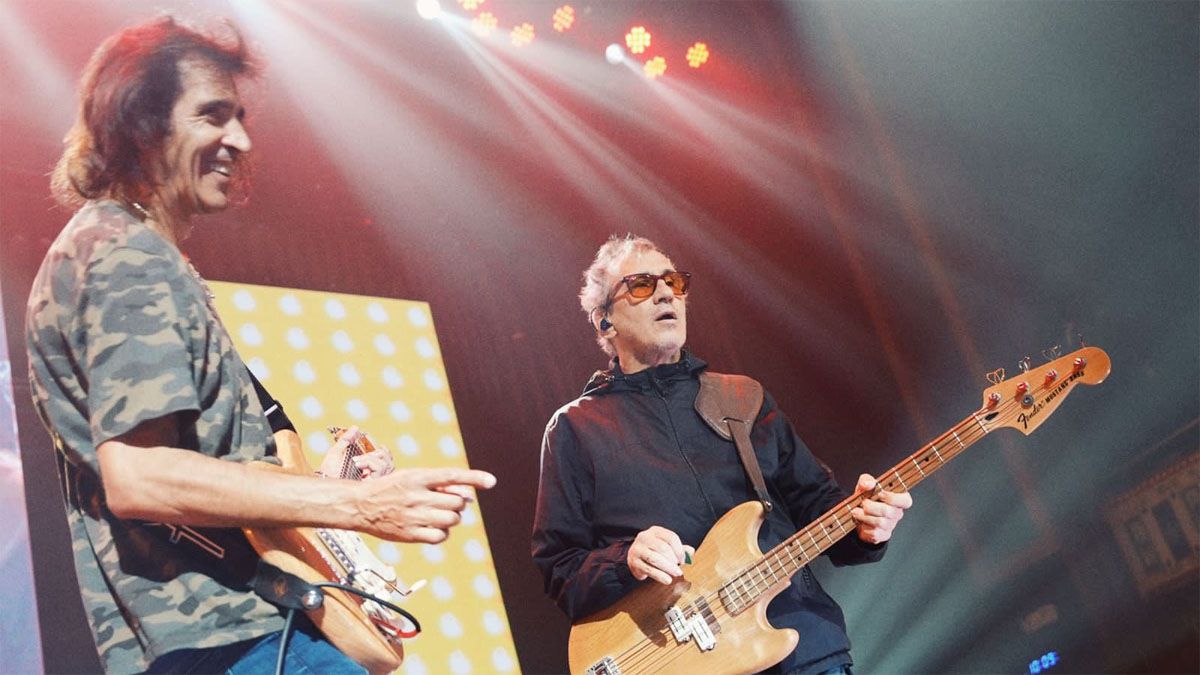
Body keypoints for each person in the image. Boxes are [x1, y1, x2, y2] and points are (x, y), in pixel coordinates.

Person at [25, 17, 495, 674]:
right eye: (213, 115)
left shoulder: (120, 250)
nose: (242, 140)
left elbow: (200, 469)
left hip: (232, 634)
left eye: (240, 118)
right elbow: (141, 474)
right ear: (140, 123)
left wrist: (320, 484)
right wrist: (359, 505)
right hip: (236, 637)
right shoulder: (125, 256)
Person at [531, 235, 912, 674]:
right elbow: (561, 570)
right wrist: (626, 560)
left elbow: (818, 505)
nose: (666, 293)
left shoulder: (742, 396)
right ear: (604, 321)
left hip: (801, 649)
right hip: (682, 660)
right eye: (641, 284)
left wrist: (868, 528)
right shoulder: (575, 429)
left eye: (674, 281)